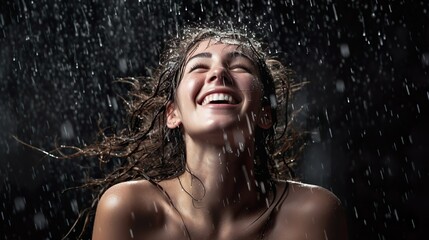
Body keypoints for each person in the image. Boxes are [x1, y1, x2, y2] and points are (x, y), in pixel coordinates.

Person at [77, 26, 347, 240]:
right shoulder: (128, 210)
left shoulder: (313, 212)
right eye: (199, 67)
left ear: (266, 113)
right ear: (173, 114)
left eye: (239, 66)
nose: (218, 72)